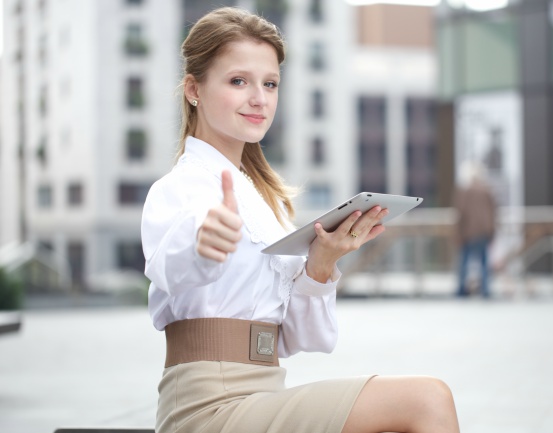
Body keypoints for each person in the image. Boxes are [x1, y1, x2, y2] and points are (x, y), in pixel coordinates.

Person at [141, 7, 460, 433]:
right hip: (206, 408)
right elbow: (168, 266)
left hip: (264, 394)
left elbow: (300, 339)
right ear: (193, 89)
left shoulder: (266, 204)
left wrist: (321, 264)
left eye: (270, 84)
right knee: (426, 399)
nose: (259, 98)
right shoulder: (180, 188)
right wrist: (203, 244)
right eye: (239, 81)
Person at [453, 161, 497, 298]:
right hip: (484, 231)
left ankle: (461, 290)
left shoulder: (464, 191)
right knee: (484, 262)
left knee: (464, 262)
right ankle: (485, 290)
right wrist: (492, 231)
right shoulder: (487, 191)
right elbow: (493, 212)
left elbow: (460, 212)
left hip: (468, 232)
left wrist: (458, 233)